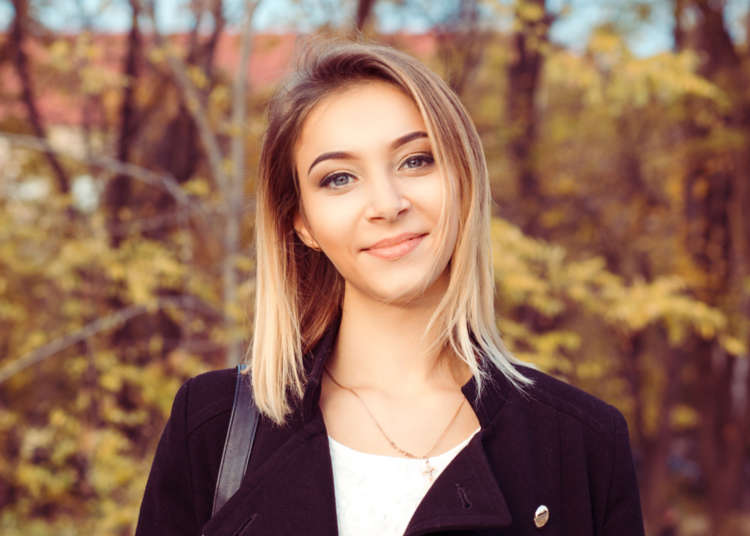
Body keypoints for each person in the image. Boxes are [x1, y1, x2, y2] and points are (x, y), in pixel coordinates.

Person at [136, 38, 645, 536]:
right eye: (339, 178)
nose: (386, 203)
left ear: (463, 180)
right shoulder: (213, 427)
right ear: (302, 223)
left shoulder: (581, 442)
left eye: (416, 160)